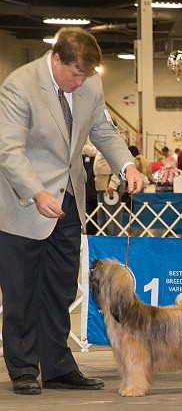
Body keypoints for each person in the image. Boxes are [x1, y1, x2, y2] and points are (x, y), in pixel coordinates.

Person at [0, 27, 143, 395]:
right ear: (57, 58)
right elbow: (8, 151)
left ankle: (58, 366)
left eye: (86, 75)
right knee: (21, 292)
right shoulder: (19, 85)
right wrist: (35, 192)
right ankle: (23, 369)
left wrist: (126, 166)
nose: (80, 83)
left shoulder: (90, 85)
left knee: (61, 290)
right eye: (74, 74)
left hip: (69, 203)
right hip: (23, 205)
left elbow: (104, 131)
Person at [93, 150, 126, 236]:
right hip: (101, 184)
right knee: (102, 217)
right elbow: (91, 150)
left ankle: (114, 240)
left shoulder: (112, 148)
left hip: (110, 185)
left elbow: (118, 167)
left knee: (111, 217)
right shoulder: (100, 146)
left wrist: (113, 185)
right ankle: (104, 239)